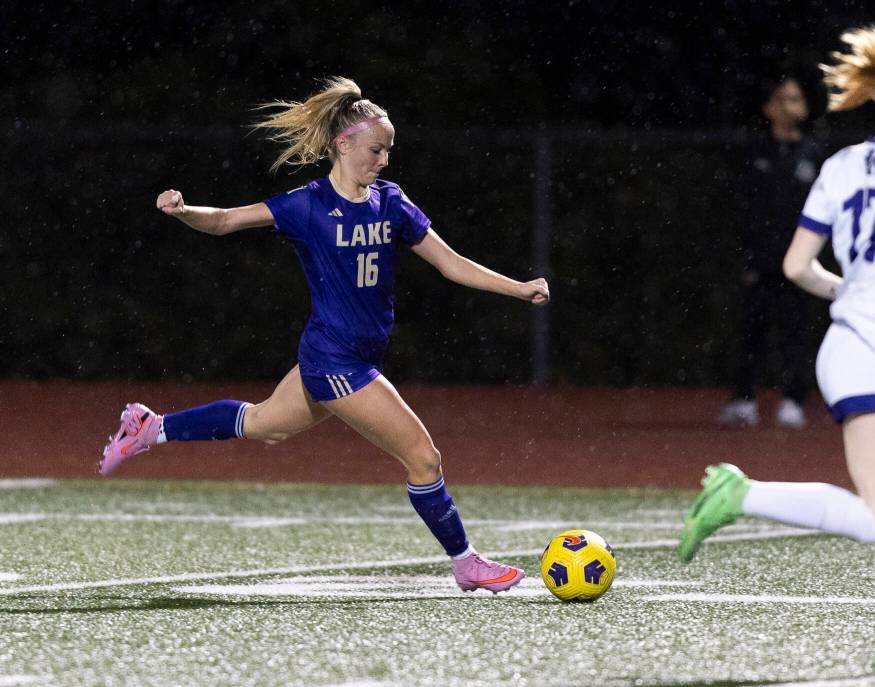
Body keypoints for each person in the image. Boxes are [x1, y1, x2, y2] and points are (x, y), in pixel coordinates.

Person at [99, 76, 550, 594]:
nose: (383, 160)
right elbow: (225, 221)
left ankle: (150, 428)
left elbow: (450, 265)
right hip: (335, 360)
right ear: (344, 143)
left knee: (266, 424)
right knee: (424, 458)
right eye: (376, 149)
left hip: (353, 355)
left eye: (388, 151)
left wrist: (517, 288)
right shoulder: (307, 205)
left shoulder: (392, 203)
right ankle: (466, 563)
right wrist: (184, 212)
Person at [680, 29, 875, 675]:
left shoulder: (841, 165)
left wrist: (857, 291)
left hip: (858, 347)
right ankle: (741, 493)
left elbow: (796, 264)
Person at [719, 76, 823, 430]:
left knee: (797, 333)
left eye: (795, 99)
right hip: (761, 262)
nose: (788, 106)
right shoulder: (754, 152)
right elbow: (741, 210)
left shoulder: (813, 153)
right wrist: (746, 257)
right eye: (781, 99)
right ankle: (744, 399)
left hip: (800, 265)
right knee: (752, 332)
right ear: (767, 108)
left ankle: (793, 400)